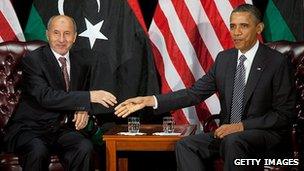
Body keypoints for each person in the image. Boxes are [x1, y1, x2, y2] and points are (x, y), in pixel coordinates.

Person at [114, 4, 296, 171]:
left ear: (259, 28)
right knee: (185, 145)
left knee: (233, 140)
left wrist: (241, 126)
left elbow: (283, 114)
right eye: (232, 26)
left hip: (265, 136)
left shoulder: (276, 62)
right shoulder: (225, 59)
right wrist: (150, 100)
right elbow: (194, 93)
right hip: (229, 135)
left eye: (244, 26)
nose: (236, 32)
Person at [4, 15, 117, 171]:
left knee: (84, 146)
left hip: (62, 130)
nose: (62, 39)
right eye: (56, 33)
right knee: (38, 151)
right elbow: (46, 96)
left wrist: (83, 109)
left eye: (67, 33)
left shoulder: (81, 62)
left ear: (75, 37)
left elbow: (79, 94)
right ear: (47, 34)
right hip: (30, 129)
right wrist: (90, 97)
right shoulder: (33, 60)